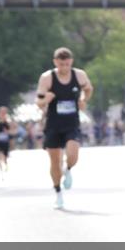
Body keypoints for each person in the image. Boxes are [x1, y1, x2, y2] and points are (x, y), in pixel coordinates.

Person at [36, 47, 94, 209]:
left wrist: (84, 99)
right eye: (61, 65)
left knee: (73, 154)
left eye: (67, 65)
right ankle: (58, 192)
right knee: (54, 162)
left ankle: (68, 169)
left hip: (72, 123)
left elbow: (88, 89)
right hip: (53, 124)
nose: (64, 68)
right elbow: (38, 101)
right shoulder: (47, 78)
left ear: (71, 62)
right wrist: (45, 99)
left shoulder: (79, 75)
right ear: (55, 62)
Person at [0, 106, 17, 175]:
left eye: (4, 112)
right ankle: (0, 167)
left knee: (5, 155)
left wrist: (8, 132)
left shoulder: (8, 122)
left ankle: (5, 164)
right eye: (1, 112)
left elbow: (13, 131)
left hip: (6, 141)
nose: (3, 114)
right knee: (0, 154)